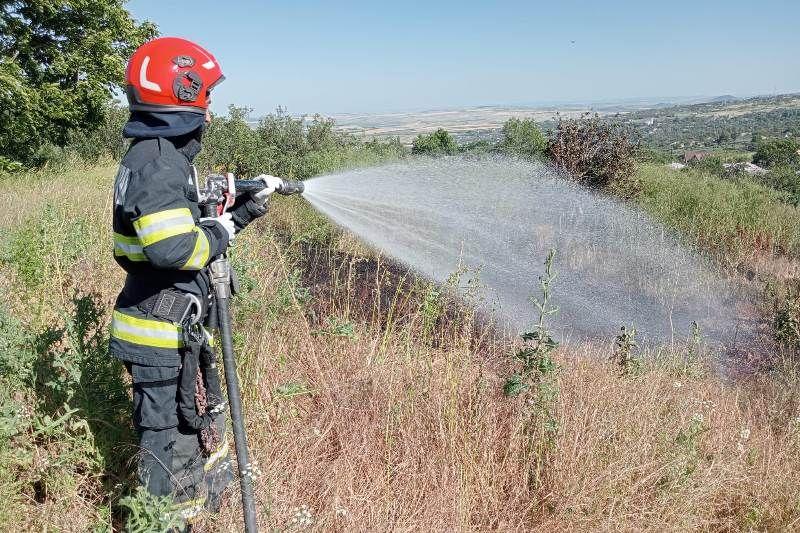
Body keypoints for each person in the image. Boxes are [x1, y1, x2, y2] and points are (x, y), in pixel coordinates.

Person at [110, 36, 280, 525]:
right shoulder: (159, 162)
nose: (208, 109)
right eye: (205, 95)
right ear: (182, 93)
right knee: (165, 445)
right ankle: (159, 523)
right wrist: (224, 227)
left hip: (168, 329)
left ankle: (182, 517)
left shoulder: (158, 155)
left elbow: (174, 229)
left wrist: (237, 211)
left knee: (184, 433)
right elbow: (174, 249)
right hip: (158, 333)